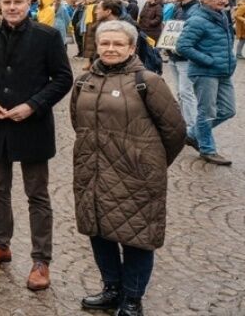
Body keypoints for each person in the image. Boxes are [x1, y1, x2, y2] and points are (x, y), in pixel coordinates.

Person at [70, 20, 185, 316]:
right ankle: (111, 288)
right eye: (105, 43)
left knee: (137, 237)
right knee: (98, 230)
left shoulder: (148, 81)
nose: (110, 49)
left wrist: (150, 163)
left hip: (137, 175)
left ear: (132, 48)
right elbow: (77, 122)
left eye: (117, 44)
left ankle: (132, 298)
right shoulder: (84, 81)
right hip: (92, 170)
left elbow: (175, 132)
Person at [0, 0, 73, 291]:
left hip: (32, 125)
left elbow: (64, 78)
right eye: (7, 2)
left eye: (18, 2)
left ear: (29, 4)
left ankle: (41, 259)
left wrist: (33, 105)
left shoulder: (48, 36)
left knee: (37, 194)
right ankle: (1, 245)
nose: (12, 7)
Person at [176, 0, 236, 166]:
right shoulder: (197, 19)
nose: (224, 1)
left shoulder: (221, 15)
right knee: (207, 112)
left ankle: (192, 134)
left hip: (223, 70)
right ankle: (207, 149)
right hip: (205, 72)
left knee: (228, 110)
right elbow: (182, 47)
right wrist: (209, 60)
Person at [165, 0, 200, 134]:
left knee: (186, 92)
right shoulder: (178, 7)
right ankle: (184, 121)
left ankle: (192, 127)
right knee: (180, 92)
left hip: (185, 57)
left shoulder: (196, 9)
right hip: (174, 54)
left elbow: (193, 32)